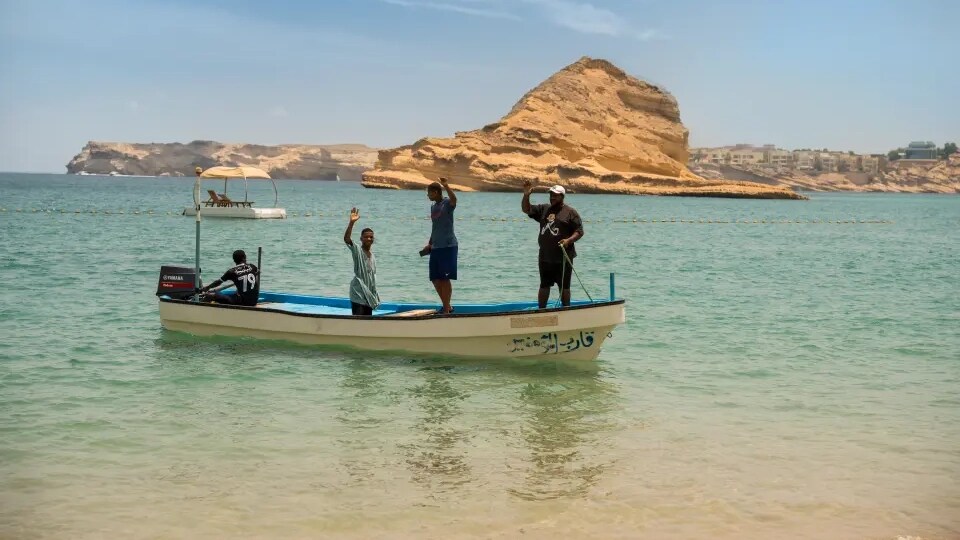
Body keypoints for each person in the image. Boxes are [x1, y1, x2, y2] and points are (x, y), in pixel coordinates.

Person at [521, 181, 584, 308]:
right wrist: (526, 195)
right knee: (544, 285)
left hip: (563, 258)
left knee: (564, 287)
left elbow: (579, 231)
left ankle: (566, 310)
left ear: (562, 197)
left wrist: (568, 241)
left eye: (555, 195)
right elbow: (526, 209)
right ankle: (541, 311)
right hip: (545, 257)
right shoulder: (544, 209)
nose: (552, 197)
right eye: (551, 195)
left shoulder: (571, 212)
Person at [421, 177, 458, 314]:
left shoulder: (446, 203)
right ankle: (447, 306)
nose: (427, 195)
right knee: (435, 278)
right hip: (436, 247)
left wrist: (446, 185)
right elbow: (435, 227)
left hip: (448, 246)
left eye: (429, 193)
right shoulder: (433, 207)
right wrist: (429, 243)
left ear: (436, 192)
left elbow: (455, 200)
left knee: (445, 278)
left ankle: (446, 309)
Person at [343, 207, 380, 316]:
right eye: (366, 237)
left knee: (367, 323)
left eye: (371, 237)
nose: (369, 239)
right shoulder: (357, 250)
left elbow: (372, 277)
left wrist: (374, 294)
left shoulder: (372, 256)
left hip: (368, 295)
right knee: (358, 322)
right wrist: (351, 223)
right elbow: (346, 239)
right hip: (358, 293)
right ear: (361, 239)